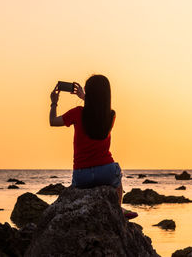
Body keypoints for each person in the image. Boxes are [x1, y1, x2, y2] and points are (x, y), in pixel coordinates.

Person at [49, 74, 137, 219]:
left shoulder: (77, 113)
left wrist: (54, 102)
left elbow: (53, 121)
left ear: (88, 92)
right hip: (106, 172)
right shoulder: (110, 116)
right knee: (117, 176)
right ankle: (118, 209)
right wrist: (86, 97)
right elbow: (96, 111)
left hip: (81, 175)